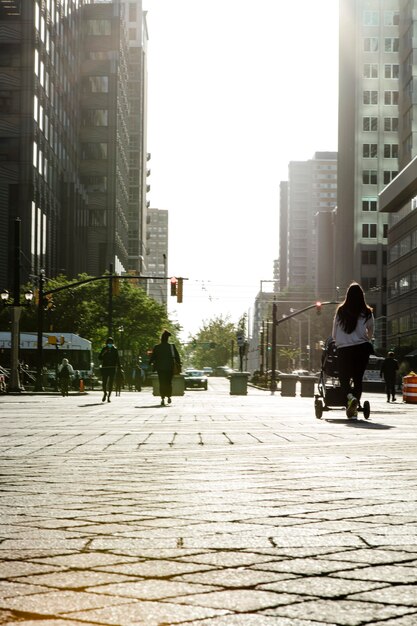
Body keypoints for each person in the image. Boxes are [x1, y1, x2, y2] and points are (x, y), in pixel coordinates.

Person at [332, 282, 374, 419]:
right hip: (361, 349)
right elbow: (371, 331)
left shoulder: (340, 311)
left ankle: (350, 397)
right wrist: (366, 338)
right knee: (358, 379)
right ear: (362, 296)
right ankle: (354, 407)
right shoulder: (367, 312)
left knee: (344, 379)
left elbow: (334, 334)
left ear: (347, 295)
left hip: (344, 350)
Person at [149, 330, 181, 406]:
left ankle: (162, 398)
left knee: (162, 383)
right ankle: (169, 396)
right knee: (168, 382)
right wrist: (178, 364)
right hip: (170, 368)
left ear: (161, 338)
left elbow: (153, 357)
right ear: (167, 338)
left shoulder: (157, 347)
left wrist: (150, 362)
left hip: (160, 368)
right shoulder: (172, 347)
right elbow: (177, 357)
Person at [98, 336, 120, 403]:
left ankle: (109, 396)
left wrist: (119, 366)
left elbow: (117, 359)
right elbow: (99, 358)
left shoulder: (115, 350)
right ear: (107, 343)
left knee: (111, 383)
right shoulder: (104, 349)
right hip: (105, 368)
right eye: (108, 343)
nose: (110, 344)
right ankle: (105, 393)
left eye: (111, 343)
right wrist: (104, 353)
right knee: (104, 382)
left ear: (113, 343)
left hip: (112, 368)